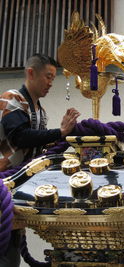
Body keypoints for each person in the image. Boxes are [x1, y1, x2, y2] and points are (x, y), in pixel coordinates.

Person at [0, 54, 80, 266]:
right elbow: (19, 136)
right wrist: (60, 132)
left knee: (11, 248)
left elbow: (40, 150)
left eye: (53, 78)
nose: (51, 83)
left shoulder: (41, 112)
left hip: (17, 186)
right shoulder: (12, 98)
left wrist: (68, 142)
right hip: (4, 181)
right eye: (48, 77)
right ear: (31, 73)